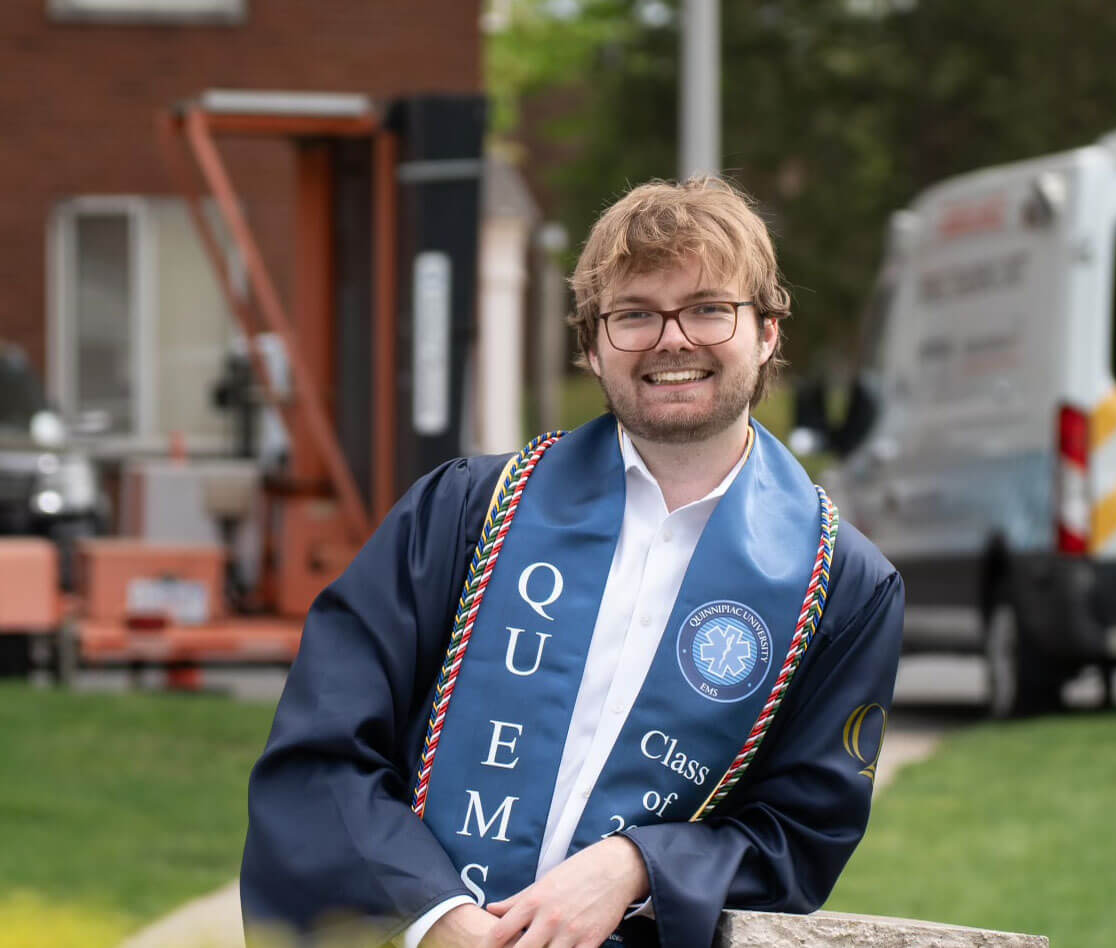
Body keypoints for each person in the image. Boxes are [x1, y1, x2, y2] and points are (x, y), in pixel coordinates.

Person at [240, 177, 904, 948]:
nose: (672, 339)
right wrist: (433, 916)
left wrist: (636, 864)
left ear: (766, 333)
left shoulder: (840, 585)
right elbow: (323, 752)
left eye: (708, 309)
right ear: (591, 346)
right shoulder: (465, 514)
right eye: (634, 315)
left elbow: (800, 834)